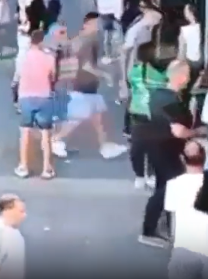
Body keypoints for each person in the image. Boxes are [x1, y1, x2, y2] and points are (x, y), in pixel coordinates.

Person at [135, 60, 206, 248]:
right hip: (167, 148)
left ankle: (163, 222)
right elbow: (179, 131)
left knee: (162, 183)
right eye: (188, 76)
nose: (189, 80)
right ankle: (148, 230)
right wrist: (197, 133)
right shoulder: (172, 101)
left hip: (155, 146)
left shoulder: (157, 95)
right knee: (167, 188)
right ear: (181, 77)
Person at [53, 12, 128, 159]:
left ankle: (106, 146)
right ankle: (56, 140)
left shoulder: (80, 38)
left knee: (97, 114)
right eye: (96, 23)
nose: (99, 27)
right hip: (84, 82)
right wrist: (104, 75)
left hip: (80, 82)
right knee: (79, 116)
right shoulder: (90, 40)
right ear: (88, 24)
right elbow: (87, 65)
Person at [126, 43, 170, 187]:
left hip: (143, 113)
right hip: (149, 113)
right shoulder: (160, 73)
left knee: (140, 148)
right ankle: (146, 174)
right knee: (149, 146)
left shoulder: (135, 71)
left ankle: (142, 174)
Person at [15, 30, 56, 179]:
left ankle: (23, 166)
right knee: (46, 134)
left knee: (25, 132)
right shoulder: (49, 57)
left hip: (26, 97)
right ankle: (47, 168)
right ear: (42, 41)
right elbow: (53, 76)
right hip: (44, 97)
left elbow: (18, 76)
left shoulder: (22, 58)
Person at [164, 141, 208, 275]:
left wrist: (172, 245)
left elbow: (172, 220)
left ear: (182, 159)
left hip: (185, 246)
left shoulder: (173, 184)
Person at [12, 0, 48, 110]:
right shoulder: (37, 2)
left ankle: (17, 91)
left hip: (22, 33)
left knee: (22, 62)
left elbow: (16, 15)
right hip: (31, 35)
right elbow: (43, 20)